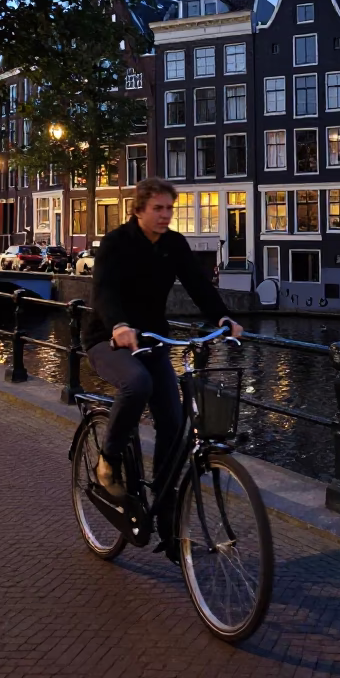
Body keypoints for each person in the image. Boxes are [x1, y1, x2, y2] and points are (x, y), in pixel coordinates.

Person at [83, 177, 242, 510]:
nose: (165, 215)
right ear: (139, 209)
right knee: (137, 383)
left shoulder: (174, 244)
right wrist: (119, 324)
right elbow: (103, 291)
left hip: (152, 339)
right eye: (158, 208)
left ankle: (165, 502)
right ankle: (108, 460)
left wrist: (222, 318)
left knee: (173, 420)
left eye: (170, 208)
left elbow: (198, 285)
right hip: (107, 338)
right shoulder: (116, 242)